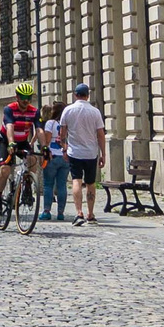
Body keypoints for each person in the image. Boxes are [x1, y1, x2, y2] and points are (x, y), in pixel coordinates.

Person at [60, 82, 106, 225]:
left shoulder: (68, 110)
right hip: (91, 153)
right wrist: (103, 153)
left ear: (75, 95)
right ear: (88, 96)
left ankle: (79, 213)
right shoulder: (95, 112)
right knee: (91, 183)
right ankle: (90, 214)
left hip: (74, 152)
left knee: (76, 181)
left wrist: (64, 148)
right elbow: (100, 134)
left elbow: (62, 133)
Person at [0, 82, 42, 209]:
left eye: (29, 97)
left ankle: (27, 188)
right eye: (23, 97)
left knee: (32, 160)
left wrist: (45, 147)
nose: (26, 100)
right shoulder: (9, 109)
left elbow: (39, 130)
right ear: (17, 97)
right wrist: (11, 143)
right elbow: (10, 127)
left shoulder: (34, 111)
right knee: (5, 170)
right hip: (6, 140)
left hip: (22, 141)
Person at [40, 94, 71, 221]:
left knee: (48, 184)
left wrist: (44, 152)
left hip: (52, 156)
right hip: (65, 156)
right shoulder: (67, 124)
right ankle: (60, 213)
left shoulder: (50, 123)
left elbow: (47, 140)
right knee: (62, 185)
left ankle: (47, 211)